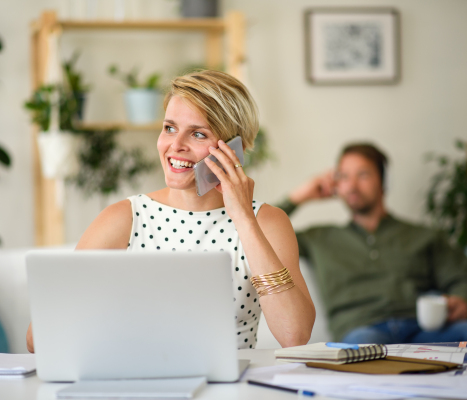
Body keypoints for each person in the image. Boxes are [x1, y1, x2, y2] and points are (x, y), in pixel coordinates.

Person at [26, 70, 315, 353]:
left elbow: (295, 335)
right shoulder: (124, 218)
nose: (175, 146)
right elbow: (37, 339)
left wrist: (242, 218)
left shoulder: (267, 222)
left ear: (233, 149)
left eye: (198, 134)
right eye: (169, 128)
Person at [276, 143, 467, 344]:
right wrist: (299, 196)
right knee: (362, 346)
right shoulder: (318, 238)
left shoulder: (423, 235)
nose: (352, 185)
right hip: (362, 331)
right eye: (343, 177)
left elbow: (464, 278)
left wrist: (464, 299)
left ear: (384, 181)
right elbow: (252, 231)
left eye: (362, 175)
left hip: (423, 332)